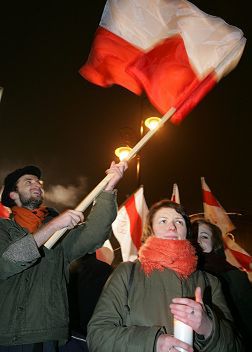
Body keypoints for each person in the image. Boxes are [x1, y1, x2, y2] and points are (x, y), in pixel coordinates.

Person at [0, 161, 127, 351]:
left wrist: (108, 189)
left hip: (49, 334)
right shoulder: (4, 229)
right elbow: (8, 261)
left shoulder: (60, 235)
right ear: (13, 194)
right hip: (8, 335)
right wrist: (54, 226)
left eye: (38, 182)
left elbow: (94, 234)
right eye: (28, 182)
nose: (37, 185)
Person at [87, 200, 242, 352]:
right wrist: (153, 343)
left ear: (186, 233)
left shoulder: (210, 282)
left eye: (179, 222)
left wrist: (208, 328)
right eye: (163, 221)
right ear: (151, 231)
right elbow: (97, 336)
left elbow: (236, 345)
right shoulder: (127, 273)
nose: (172, 227)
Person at [191, 218, 252, 351]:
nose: (198, 241)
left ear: (215, 244)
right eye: (193, 236)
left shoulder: (233, 276)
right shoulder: (184, 275)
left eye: (204, 236)